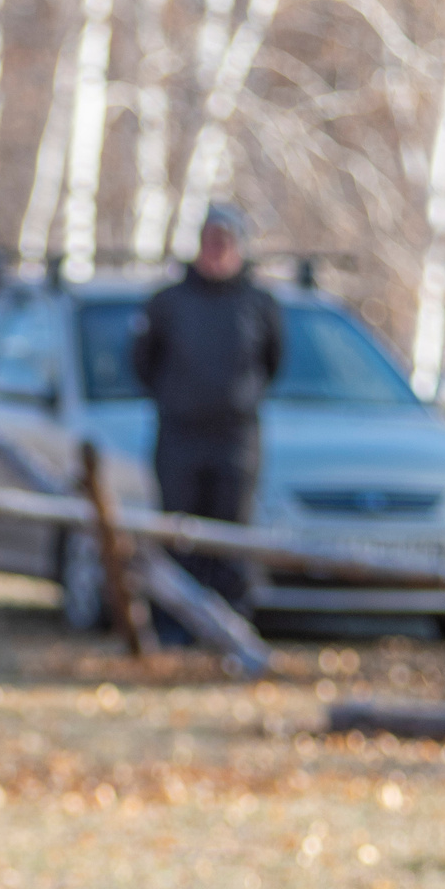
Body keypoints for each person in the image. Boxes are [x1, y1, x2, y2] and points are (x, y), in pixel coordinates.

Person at [130, 202, 285, 616]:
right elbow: (143, 362)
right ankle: (174, 622)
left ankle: (231, 624)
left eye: (226, 243)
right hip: (181, 436)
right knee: (179, 533)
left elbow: (272, 362)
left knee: (231, 538)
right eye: (210, 242)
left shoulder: (258, 304)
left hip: (235, 438)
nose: (217, 252)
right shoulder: (169, 302)